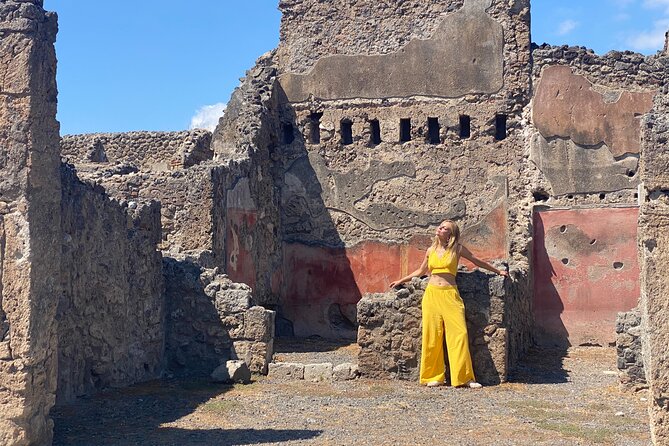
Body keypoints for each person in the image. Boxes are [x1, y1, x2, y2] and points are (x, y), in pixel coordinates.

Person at [389, 219, 508, 388]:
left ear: (450, 234)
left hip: (450, 295)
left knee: (459, 334)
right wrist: (401, 279)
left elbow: (477, 262)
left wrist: (498, 271)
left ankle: (464, 378)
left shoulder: (457, 249)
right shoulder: (430, 250)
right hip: (431, 295)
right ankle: (434, 376)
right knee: (432, 335)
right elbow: (421, 271)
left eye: (444, 228)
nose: (440, 228)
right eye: (440, 226)